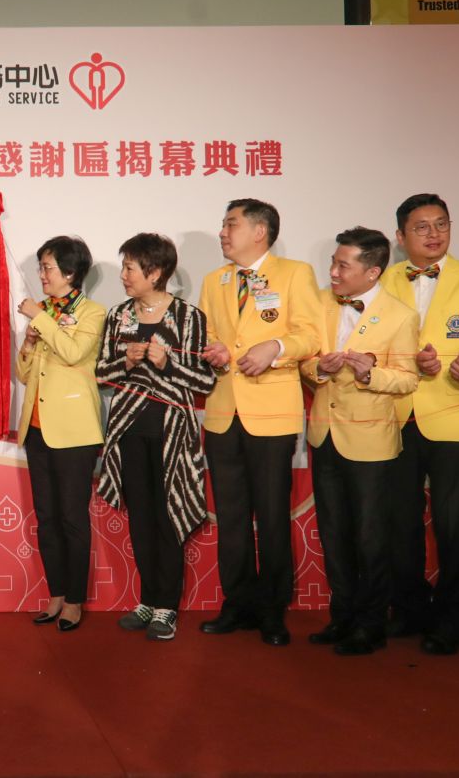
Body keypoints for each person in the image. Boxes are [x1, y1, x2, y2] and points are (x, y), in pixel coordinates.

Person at [381, 193, 459, 654]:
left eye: (441, 224)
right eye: (422, 227)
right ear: (400, 237)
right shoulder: (382, 278)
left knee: (455, 525)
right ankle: (410, 609)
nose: (434, 234)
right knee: (399, 523)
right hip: (393, 416)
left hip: (455, 414)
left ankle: (457, 619)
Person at [197, 199, 323, 646]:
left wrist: (275, 347)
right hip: (222, 410)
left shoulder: (295, 273)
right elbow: (208, 336)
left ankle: (273, 609)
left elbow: (311, 334)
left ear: (260, 231)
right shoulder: (216, 280)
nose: (223, 232)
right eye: (223, 224)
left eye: (231, 224)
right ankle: (237, 603)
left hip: (271, 411)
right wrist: (211, 351)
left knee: (271, 515)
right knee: (230, 516)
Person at [301, 227, 419, 656]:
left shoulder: (400, 315)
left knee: (371, 537)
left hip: (371, 440)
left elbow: (407, 378)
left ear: (372, 272)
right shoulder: (317, 301)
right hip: (325, 434)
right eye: (332, 262)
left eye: (342, 265)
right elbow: (306, 364)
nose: (332, 272)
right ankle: (342, 615)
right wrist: (321, 368)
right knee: (334, 533)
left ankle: (372, 623)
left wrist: (370, 373)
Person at [94, 233, 216, 641]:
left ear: (156, 271)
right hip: (128, 428)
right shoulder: (118, 317)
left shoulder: (188, 317)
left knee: (168, 517)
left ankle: (167, 607)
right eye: (125, 266)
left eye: (131, 267)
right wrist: (124, 361)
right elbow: (101, 374)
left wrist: (167, 364)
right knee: (141, 517)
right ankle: (146, 599)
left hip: (172, 431)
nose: (125, 275)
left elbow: (204, 379)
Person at [15, 236, 105, 632]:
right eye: (40, 267)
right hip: (36, 428)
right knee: (47, 518)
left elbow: (72, 354)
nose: (42, 275)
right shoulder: (45, 314)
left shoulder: (93, 313)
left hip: (75, 432)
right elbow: (24, 374)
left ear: (70, 272)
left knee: (72, 518)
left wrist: (39, 320)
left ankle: (74, 600)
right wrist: (29, 344)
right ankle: (54, 594)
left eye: (48, 267)